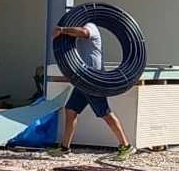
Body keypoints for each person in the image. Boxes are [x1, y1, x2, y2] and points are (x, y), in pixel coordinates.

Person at [51, 23, 133, 160]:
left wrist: (62, 30)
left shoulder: (90, 27)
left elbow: (84, 32)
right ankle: (65, 147)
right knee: (70, 110)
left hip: (94, 80)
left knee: (105, 113)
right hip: (84, 80)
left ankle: (126, 146)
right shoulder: (75, 33)